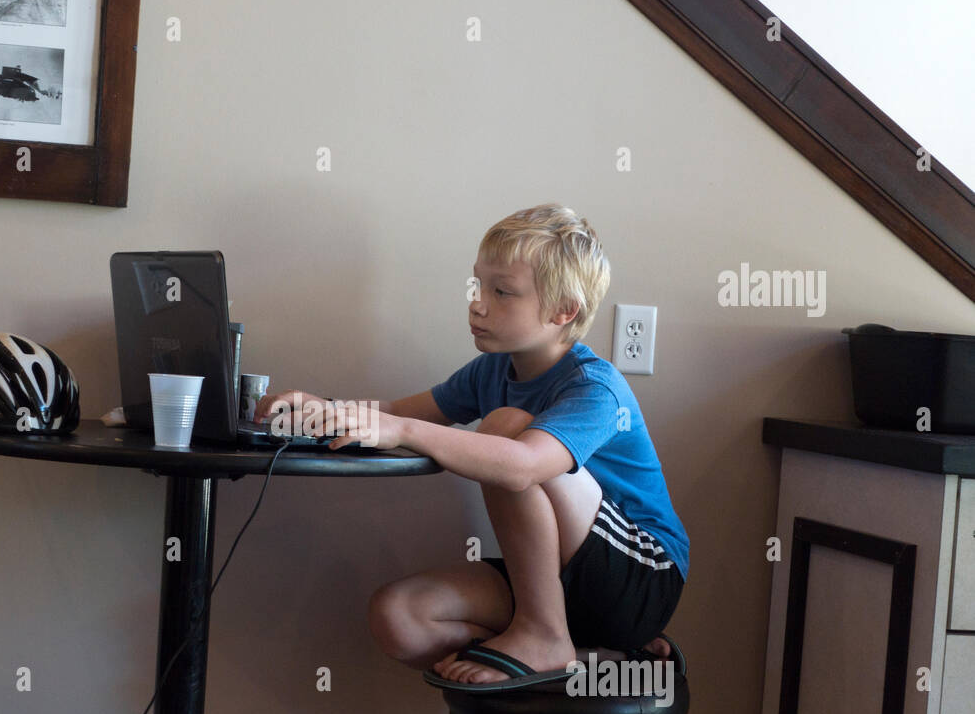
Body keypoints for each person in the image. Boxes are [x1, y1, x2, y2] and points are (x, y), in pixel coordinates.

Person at [252, 204, 687, 684]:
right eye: (479, 286)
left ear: (565, 310)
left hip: (640, 577)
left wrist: (404, 432)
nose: (478, 303)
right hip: (560, 585)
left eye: (503, 292)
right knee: (398, 617)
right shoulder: (493, 370)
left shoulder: (595, 387)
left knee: (504, 429)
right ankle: (588, 653)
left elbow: (521, 465)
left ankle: (543, 635)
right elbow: (398, 413)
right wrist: (324, 408)